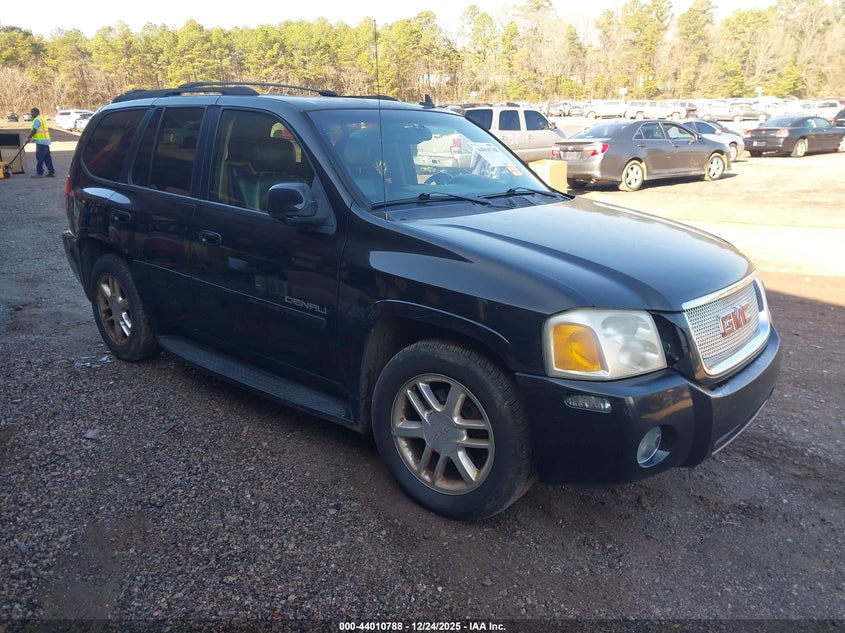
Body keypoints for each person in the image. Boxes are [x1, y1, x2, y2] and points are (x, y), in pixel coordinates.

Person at [27, 107, 55, 177]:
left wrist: (29, 137)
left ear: (35, 112)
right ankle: (51, 172)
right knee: (47, 158)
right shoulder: (42, 119)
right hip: (46, 141)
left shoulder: (37, 120)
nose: (31, 114)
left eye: (32, 112)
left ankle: (39, 173)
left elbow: (34, 130)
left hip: (41, 142)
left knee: (40, 157)